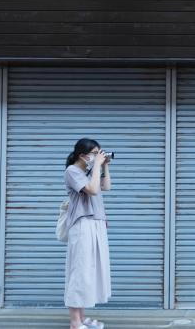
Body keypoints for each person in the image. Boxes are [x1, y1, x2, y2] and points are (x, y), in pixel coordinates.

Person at [63, 138, 112, 329]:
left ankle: (82, 318)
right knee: (79, 271)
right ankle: (75, 322)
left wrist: (104, 166)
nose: (98, 156)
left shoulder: (88, 171)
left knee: (89, 272)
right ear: (83, 155)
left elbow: (105, 187)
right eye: (94, 153)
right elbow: (92, 190)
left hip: (96, 224)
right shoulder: (72, 171)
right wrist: (97, 166)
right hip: (82, 225)